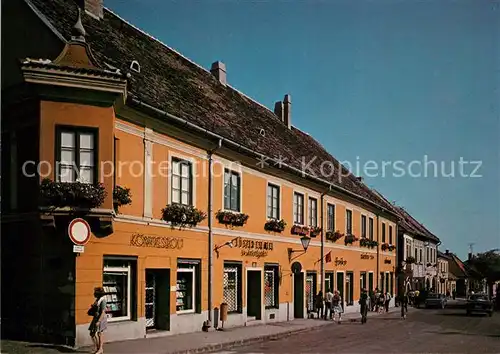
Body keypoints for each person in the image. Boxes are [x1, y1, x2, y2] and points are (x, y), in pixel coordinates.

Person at [89, 287, 107, 354]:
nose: (94, 293)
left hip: (101, 318)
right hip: (96, 317)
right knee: (92, 333)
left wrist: (99, 321)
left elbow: (103, 312)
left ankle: (100, 349)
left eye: (95, 292)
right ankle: (97, 348)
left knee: (100, 333)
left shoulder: (103, 300)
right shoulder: (98, 300)